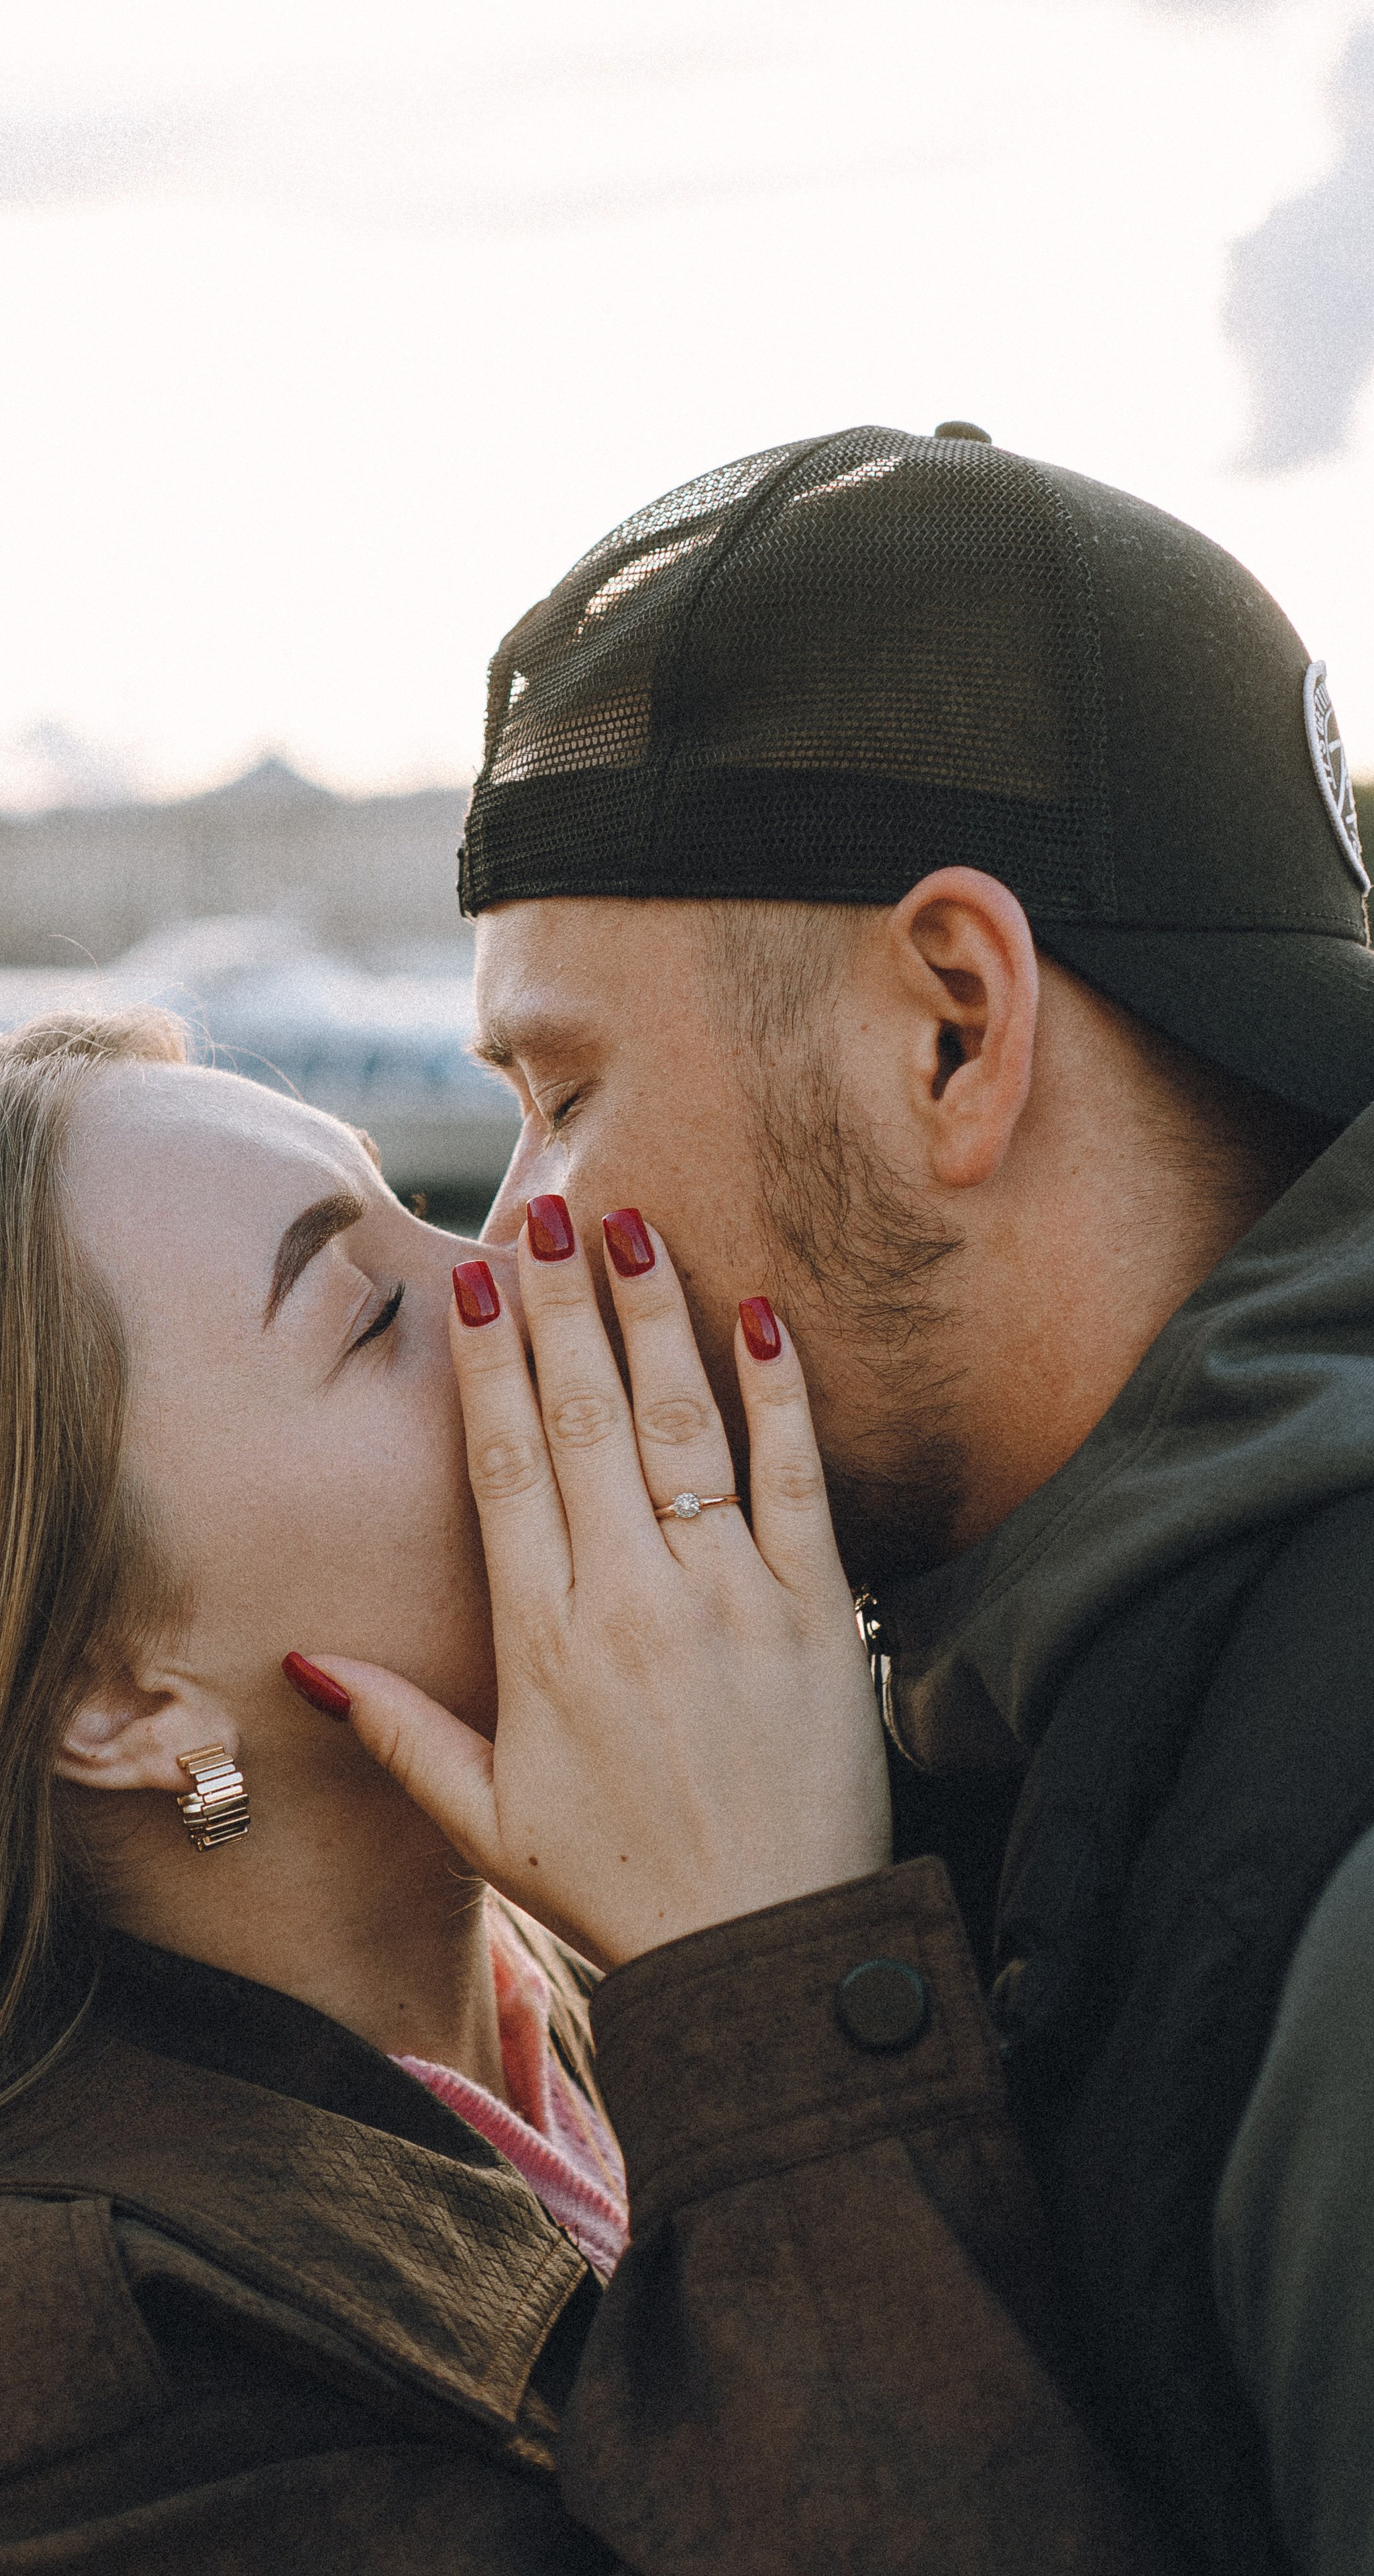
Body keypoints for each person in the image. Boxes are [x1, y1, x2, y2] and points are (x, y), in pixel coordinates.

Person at [0, 1010, 1157, 2572]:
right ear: (109, 1696)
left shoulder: (588, 1991)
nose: (508, 1260)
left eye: (419, 1202)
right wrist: (770, 1973)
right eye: (367, 1311)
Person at [326, 421, 1373, 2576]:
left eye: (564, 1091)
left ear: (953, 1035)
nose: (509, 1241)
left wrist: (762, 1995)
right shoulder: (1062, 1671)